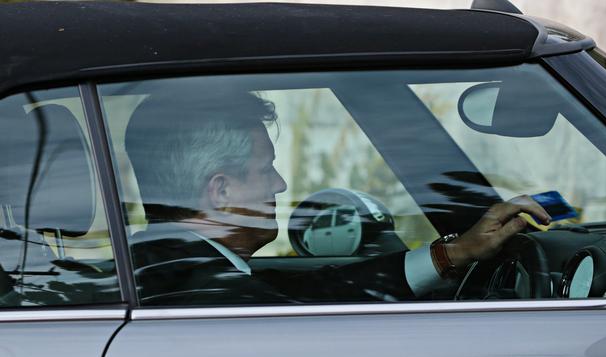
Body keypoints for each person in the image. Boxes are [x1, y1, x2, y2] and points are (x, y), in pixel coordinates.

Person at [124, 89, 551, 305]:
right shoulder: (217, 297)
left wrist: (453, 254)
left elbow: (316, 288)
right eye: (265, 168)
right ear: (220, 190)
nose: (279, 185)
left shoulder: (158, 267)